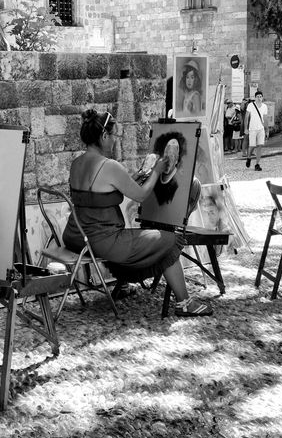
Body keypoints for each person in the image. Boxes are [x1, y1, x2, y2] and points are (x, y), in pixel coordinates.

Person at [63, 109, 210, 317]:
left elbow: (106, 189)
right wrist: (157, 171)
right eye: (114, 136)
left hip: (76, 237)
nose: (115, 141)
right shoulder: (109, 165)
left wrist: (141, 173)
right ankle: (184, 303)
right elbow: (140, 195)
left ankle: (122, 287)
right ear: (104, 136)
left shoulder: (76, 163)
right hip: (102, 241)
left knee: (138, 239)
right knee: (169, 240)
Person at [244, 91, 267, 171]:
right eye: (258, 96)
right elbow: (246, 117)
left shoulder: (264, 106)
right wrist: (245, 128)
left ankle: (257, 164)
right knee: (252, 145)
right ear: (255, 97)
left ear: (262, 97)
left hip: (261, 129)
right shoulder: (250, 105)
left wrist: (267, 129)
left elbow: (265, 118)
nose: (259, 98)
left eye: (261, 96)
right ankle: (248, 157)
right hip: (252, 129)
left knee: (260, 146)